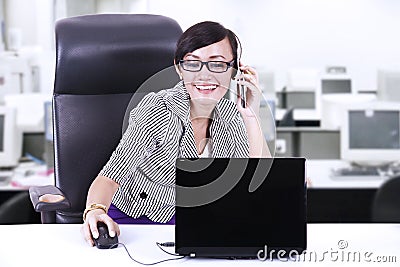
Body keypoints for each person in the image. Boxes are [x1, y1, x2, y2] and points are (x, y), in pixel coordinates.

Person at [81, 21, 271, 246]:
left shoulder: (231, 115)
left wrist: (251, 115)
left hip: (196, 223)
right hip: (133, 223)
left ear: (234, 71)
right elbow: (111, 175)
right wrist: (95, 211)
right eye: (192, 64)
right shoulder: (157, 109)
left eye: (218, 65)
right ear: (179, 69)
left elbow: (259, 181)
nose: (205, 75)